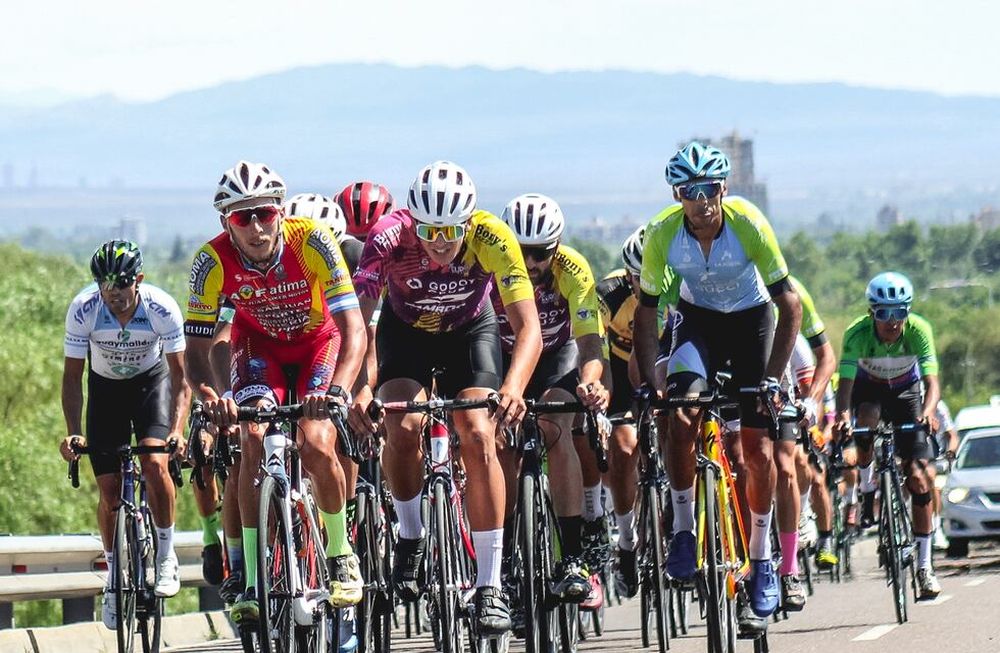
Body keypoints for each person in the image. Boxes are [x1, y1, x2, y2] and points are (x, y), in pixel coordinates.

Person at [347, 161, 542, 635]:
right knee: (403, 424)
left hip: (468, 332)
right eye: (430, 229)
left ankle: (491, 585)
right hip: (405, 332)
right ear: (413, 220)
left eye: (452, 230)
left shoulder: (492, 237)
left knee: (478, 435)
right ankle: (411, 536)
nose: (440, 241)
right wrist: (358, 387)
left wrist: (514, 388)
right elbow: (358, 319)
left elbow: (528, 327)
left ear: (469, 221)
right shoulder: (388, 237)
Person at [184, 161, 367, 624]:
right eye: (243, 217)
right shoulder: (211, 260)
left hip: (317, 346)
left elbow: (354, 329)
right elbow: (198, 351)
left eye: (265, 213)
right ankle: (250, 575)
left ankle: (340, 553)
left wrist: (340, 392)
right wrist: (213, 396)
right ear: (226, 221)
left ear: (280, 212)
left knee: (316, 440)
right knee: (251, 437)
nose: (257, 226)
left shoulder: (312, 241)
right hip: (258, 347)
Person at [634, 142, 802, 619]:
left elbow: (789, 306)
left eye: (709, 189)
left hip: (751, 324)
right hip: (699, 322)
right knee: (682, 413)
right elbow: (646, 318)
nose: (701, 201)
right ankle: (684, 530)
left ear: (724, 188)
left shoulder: (748, 223)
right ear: (677, 195)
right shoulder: (663, 233)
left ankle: (764, 560)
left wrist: (771, 379)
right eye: (690, 191)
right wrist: (652, 383)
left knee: (758, 450)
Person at [60, 240, 191, 629]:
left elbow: (182, 379)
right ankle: (115, 580)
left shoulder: (161, 308)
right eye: (103, 282)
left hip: (152, 385)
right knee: (110, 492)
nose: (111, 290)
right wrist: (73, 433)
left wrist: (179, 431)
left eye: (119, 282)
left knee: (154, 461)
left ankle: (166, 556)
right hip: (105, 392)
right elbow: (72, 379)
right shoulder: (84, 309)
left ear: (139, 279)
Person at [492, 193, 609, 605]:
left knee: (556, 428)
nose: (529, 263)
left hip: (557, 356)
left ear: (556, 247)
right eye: (520, 251)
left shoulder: (572, 270)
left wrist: (591, 382)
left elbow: (590, 346)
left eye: (540, 252)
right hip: (503, 355)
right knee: (498, 441)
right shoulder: (490, 267)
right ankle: (503, 560)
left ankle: (573, 556)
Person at [833, 271, 942, 599]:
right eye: (884, 313)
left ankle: (924, 568)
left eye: (900, 312)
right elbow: (847, 384)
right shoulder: (857, 334)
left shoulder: (920, 331)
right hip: (868, 390)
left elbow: (931, 381)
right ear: (872, 314)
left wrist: (929, 411)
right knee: (866, 420)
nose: (892, 321)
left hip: (906, 393)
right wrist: (841, 417)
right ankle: (867, 490)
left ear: (908, 312)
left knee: (920, 479)